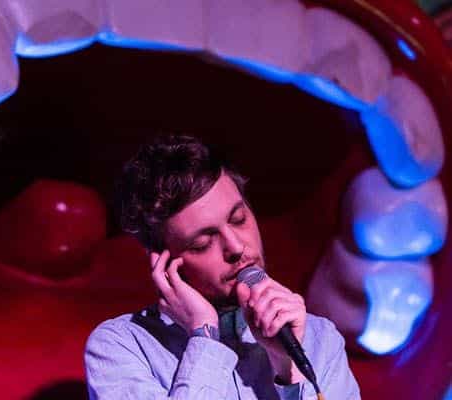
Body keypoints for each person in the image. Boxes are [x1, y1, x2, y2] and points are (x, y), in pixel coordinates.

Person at [84, 135, 360, 399]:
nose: (236, 247)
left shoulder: (320, 338)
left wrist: (288, 369)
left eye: (239, 219)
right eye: (202, 243)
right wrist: (204, 336)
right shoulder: (121, 347)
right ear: (163, 264)